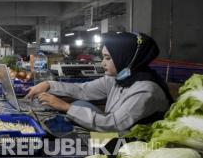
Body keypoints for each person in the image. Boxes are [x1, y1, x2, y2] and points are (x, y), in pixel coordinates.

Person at [26, 32, 173, 132]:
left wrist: (66, 107)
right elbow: (83, 90)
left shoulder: (146, 90)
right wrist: (49, 84)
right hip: (118, 132)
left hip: (135, 143)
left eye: (108, 58)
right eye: (103, 57)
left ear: (126, 58)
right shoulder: (120, 78)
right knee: (79, 104)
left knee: (71, 127)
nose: (102, 63)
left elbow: (115, 124)